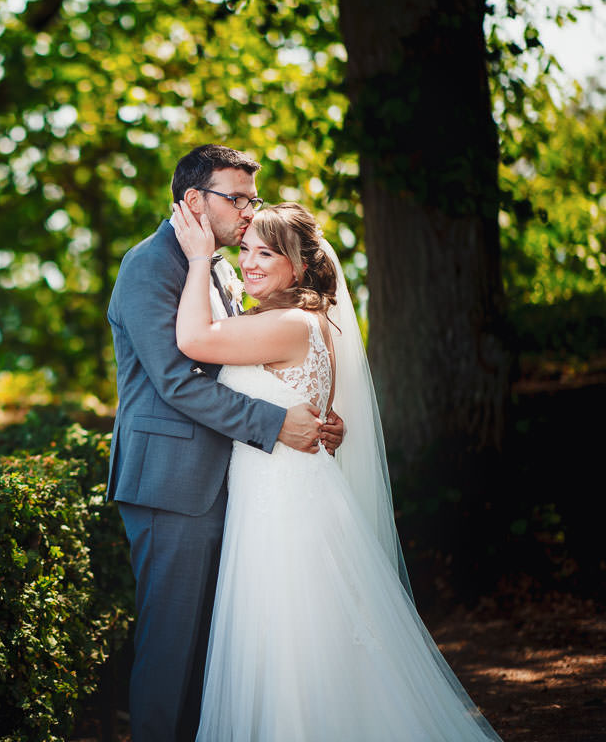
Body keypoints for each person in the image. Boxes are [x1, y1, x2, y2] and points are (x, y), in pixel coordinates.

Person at [168, 199, 502, 741]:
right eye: (246, 250)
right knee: (304, 637)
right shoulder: (303, 321)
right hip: (285, 494)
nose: (250, 263)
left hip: (283, 506)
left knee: (293, 640)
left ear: (298, 267)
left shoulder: (287, 323)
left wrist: (201, 257)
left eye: (266, 254)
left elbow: (192, 341)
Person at [106, 144, 344, 741]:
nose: (247, 211)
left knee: (215, 654)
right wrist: (274, 425)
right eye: (236, 198)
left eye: (252, 198)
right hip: (172, 483)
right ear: (193, 199)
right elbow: (174, 381)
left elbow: (245, 363)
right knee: (171, 652)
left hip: (234, 480)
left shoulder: (214, 265)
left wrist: (310, 417)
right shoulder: (149, 265)